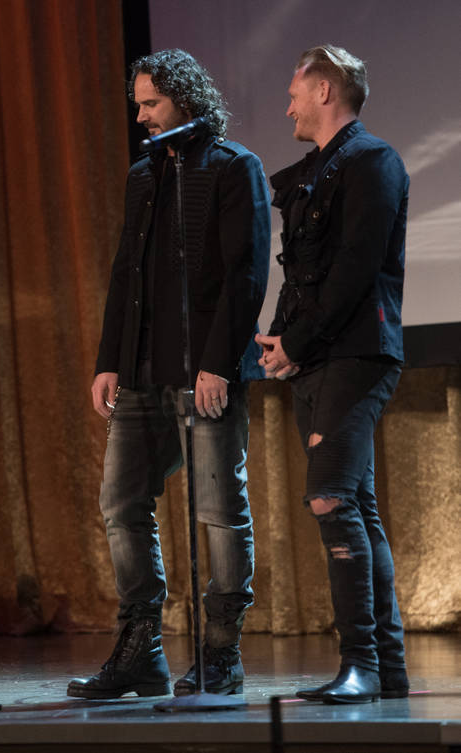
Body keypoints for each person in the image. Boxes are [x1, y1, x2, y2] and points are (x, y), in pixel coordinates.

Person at [68, 49, 270, 699]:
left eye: (150, 103)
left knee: (217, 508)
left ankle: (220, 648)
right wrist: (109, 360)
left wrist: (217, 362)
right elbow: (126, 272)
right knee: (120, 500)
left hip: (203, 370)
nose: (140, 115)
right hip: (142, 371)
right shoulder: (145, 176)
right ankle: (140, 647)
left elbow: (244, 274)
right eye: (138, 103)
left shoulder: (235, 169)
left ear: (185, 99)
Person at [257, 45, 409, 704]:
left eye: (294, 90)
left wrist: (297, 339)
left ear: (324, 90)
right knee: (354, 505)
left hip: (357, 351)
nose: (286, 103)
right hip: (318, 356)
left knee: (331, 499)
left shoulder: (372, 161)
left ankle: (363, 662)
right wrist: (280, 340)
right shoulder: (314, 171)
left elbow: (355, 268)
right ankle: (385, 667)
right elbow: (305, 272)